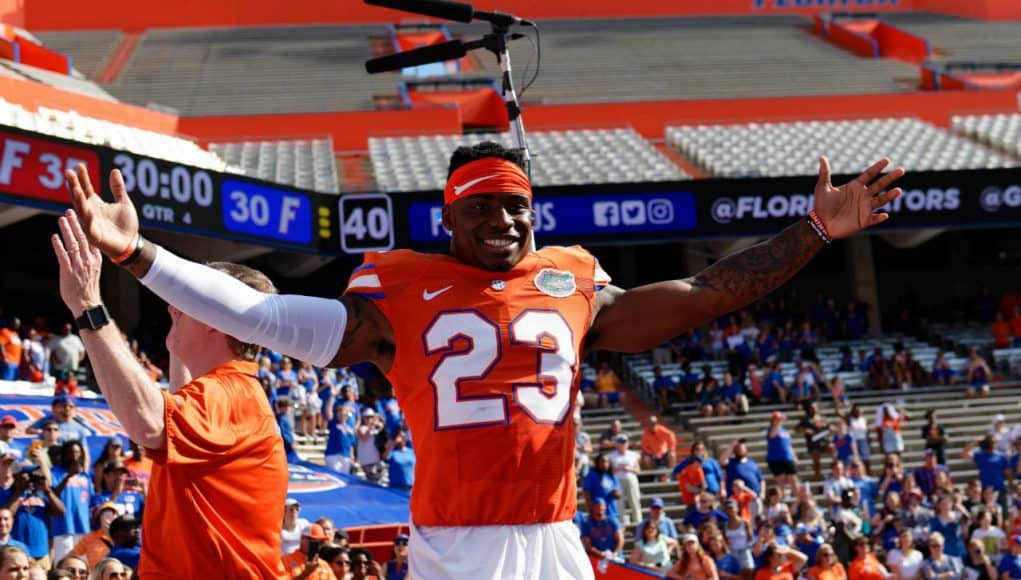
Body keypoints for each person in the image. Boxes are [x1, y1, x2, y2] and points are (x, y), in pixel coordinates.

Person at [66, 143, 904, 577]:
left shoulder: (574, 285)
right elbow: (260, 314)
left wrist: (817, 231)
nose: (504, 222)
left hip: (552, 531)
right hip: (459, 542)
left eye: (517, 209)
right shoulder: (395, 298)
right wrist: (141, 257)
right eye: (484, 210)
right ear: (450, 222)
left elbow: (708, 291)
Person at [51, 212, 289, 577]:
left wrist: (87, 305)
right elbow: (177, 407)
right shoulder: (227, 391)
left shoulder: (232, 393)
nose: (171, 306)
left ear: (217, 320)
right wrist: (179, 333)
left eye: (188, 299)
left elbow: (148, 422)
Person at [25, 397, 93, 445]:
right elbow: (28, 430)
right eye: (64, 406)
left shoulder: (79, 426)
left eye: (70, 407)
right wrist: (43, 432)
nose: (67, 409)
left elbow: (84, 448)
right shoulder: (47, 421)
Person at [607, 435, 641, 525]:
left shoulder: (633, 454)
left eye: (624, 442)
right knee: (619, 503)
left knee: (634, 501)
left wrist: (630, 469)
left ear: (627, 444)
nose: (622, 444)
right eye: (620, 442)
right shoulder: (611, 456)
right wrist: (618, 469)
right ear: (617, 444)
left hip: (631, 479)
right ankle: (621, 523)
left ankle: (638, 522)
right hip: (617, 480)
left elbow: (637, 470)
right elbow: (609, 471)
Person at [70, 502, 116, 568]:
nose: (109, 517)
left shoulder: (121, 537)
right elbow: (72, 555)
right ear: (99, 518)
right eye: (105, 514)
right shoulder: (89, 537)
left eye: (112, 514)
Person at [766, 411, 799, 498]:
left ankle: (798, 499)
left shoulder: (785, 431)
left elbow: (789, 444)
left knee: (793, 479)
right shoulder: (771, 429)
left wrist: (794, 455)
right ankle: (781, 499)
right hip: (775, 459)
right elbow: (772, 435)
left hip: (787, 458)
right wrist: (778, 422)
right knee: (781, 481)